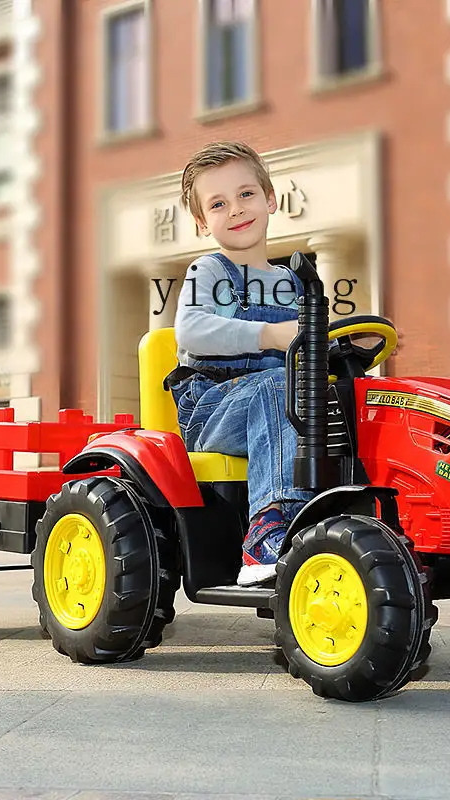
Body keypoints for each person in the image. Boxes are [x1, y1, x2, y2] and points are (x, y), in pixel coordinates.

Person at [167, 141, 316, 586]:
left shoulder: (296, 281)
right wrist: (267, 334)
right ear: (202, 222)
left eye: (246, 194)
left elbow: (315, 343)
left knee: (342, 400)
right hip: (211, 407)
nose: (236, 209)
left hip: (282, 403)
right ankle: (268, 530)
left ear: (270, 199)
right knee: (278, 385)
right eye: (218, 203)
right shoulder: (209, 272)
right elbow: (190, 330)